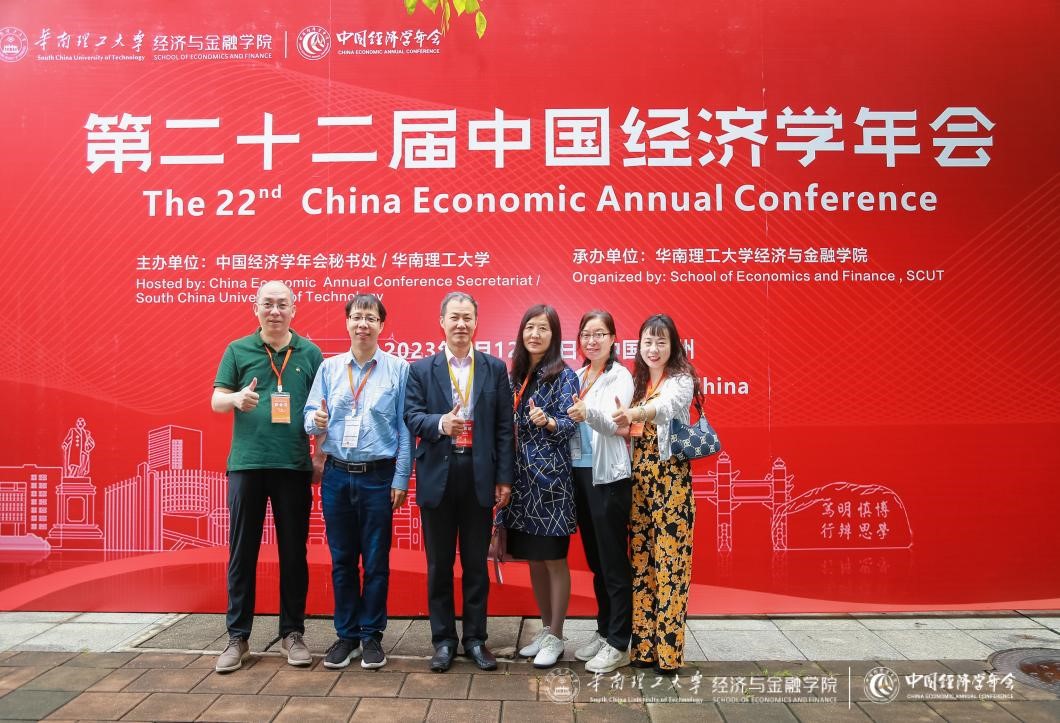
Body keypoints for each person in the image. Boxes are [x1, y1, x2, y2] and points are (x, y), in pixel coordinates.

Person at [211, 281, 323, 673]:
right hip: (247, 465)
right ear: (255, 308)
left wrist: (320, 455)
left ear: (294, 309)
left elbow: (323, 409)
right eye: (268, 304)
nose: (275, 311)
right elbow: (216, 399)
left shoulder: (310, 353)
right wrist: (235, 398)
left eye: (282, 304)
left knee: (294, 554)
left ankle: (292, 633)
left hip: (292, 465)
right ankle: (237, 637)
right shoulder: (237, 349)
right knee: (242, 553)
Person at [404, 291, 514, 672]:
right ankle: (443, 641)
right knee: (438, 565)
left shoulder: (494, 369)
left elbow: (504, 428)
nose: (461, 324)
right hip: (439, 474)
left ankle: (476, 639)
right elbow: (411, 416)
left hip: (479, 476)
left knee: (475, 564)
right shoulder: (422, 370)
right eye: (454, 317)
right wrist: (440, 423)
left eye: (467, 317)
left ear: (476, 322)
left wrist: (504, 478)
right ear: (442, 322)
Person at [304, 294, 411, 670]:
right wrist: (314, 421)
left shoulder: (398, 369)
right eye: (356, 317)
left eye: (370, 318)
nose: (363, 324)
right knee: (342, 560)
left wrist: (401, 477)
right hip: (336, 475)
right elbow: (309, 413)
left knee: (377, 561)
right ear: (347, 322)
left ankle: (371, 635)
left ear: (382, 325)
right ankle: (346, 634)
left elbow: (405, 428)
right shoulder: (330, 368)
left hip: (378, 476)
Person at [611, 313, 698, 675]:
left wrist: (634, 412)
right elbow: (628, 427)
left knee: (671, 566)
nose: (654, 348)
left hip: (670, 482)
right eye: (648, 341)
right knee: (642, 562)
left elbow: (664, 409)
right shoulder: (638, 381)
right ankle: (644, 648)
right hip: (639, 483)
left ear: (673, 346)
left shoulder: (681, 380)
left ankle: (668, 654)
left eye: (661, 341)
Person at [502, 305, 578, 669]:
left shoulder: (565, 376)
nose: (535, 334)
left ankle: (557, 636)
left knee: (554, 559)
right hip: (521, 485)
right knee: (533, 558)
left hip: (551, 484)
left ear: (554, 335)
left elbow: (571, 424)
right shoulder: (515, 376)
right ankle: (546, 630)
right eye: (530, 327)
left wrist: (547, 421)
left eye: (543, 328)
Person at [565, 310, 635, 674]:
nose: (592, 341)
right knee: (596, 561)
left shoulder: (620, 376)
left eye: (599, 334)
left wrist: (586, 412)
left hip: (608, 477)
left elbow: (614, 424)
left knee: (613, 562)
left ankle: (620, 642)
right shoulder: (577, 376)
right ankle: (605, 630)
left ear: (612, 339)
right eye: (586, 335)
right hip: (579, 475)